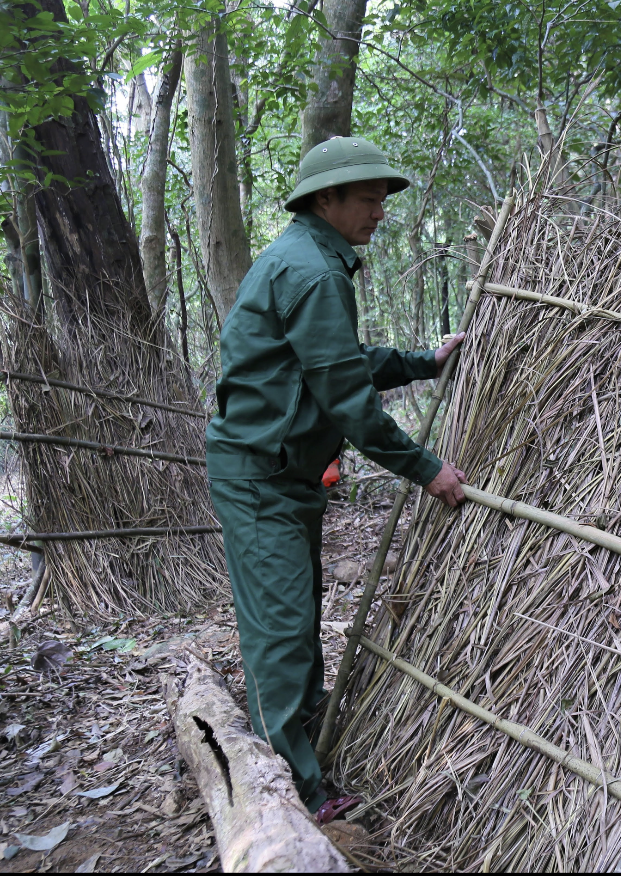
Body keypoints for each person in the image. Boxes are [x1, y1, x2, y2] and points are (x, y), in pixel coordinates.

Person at [205, 136, 468, 821]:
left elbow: (340, 364)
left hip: (284, 473)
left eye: (383, 200)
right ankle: (293, 790)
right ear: (327, 199)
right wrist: (426, 469)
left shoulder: (311, 261)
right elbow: (348, 403)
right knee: (282, 626)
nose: (380, 212)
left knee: (296, 609)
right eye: (369, 200)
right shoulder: (314, 272)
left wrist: (420, 363)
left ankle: (304, 732)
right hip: (261, 475)